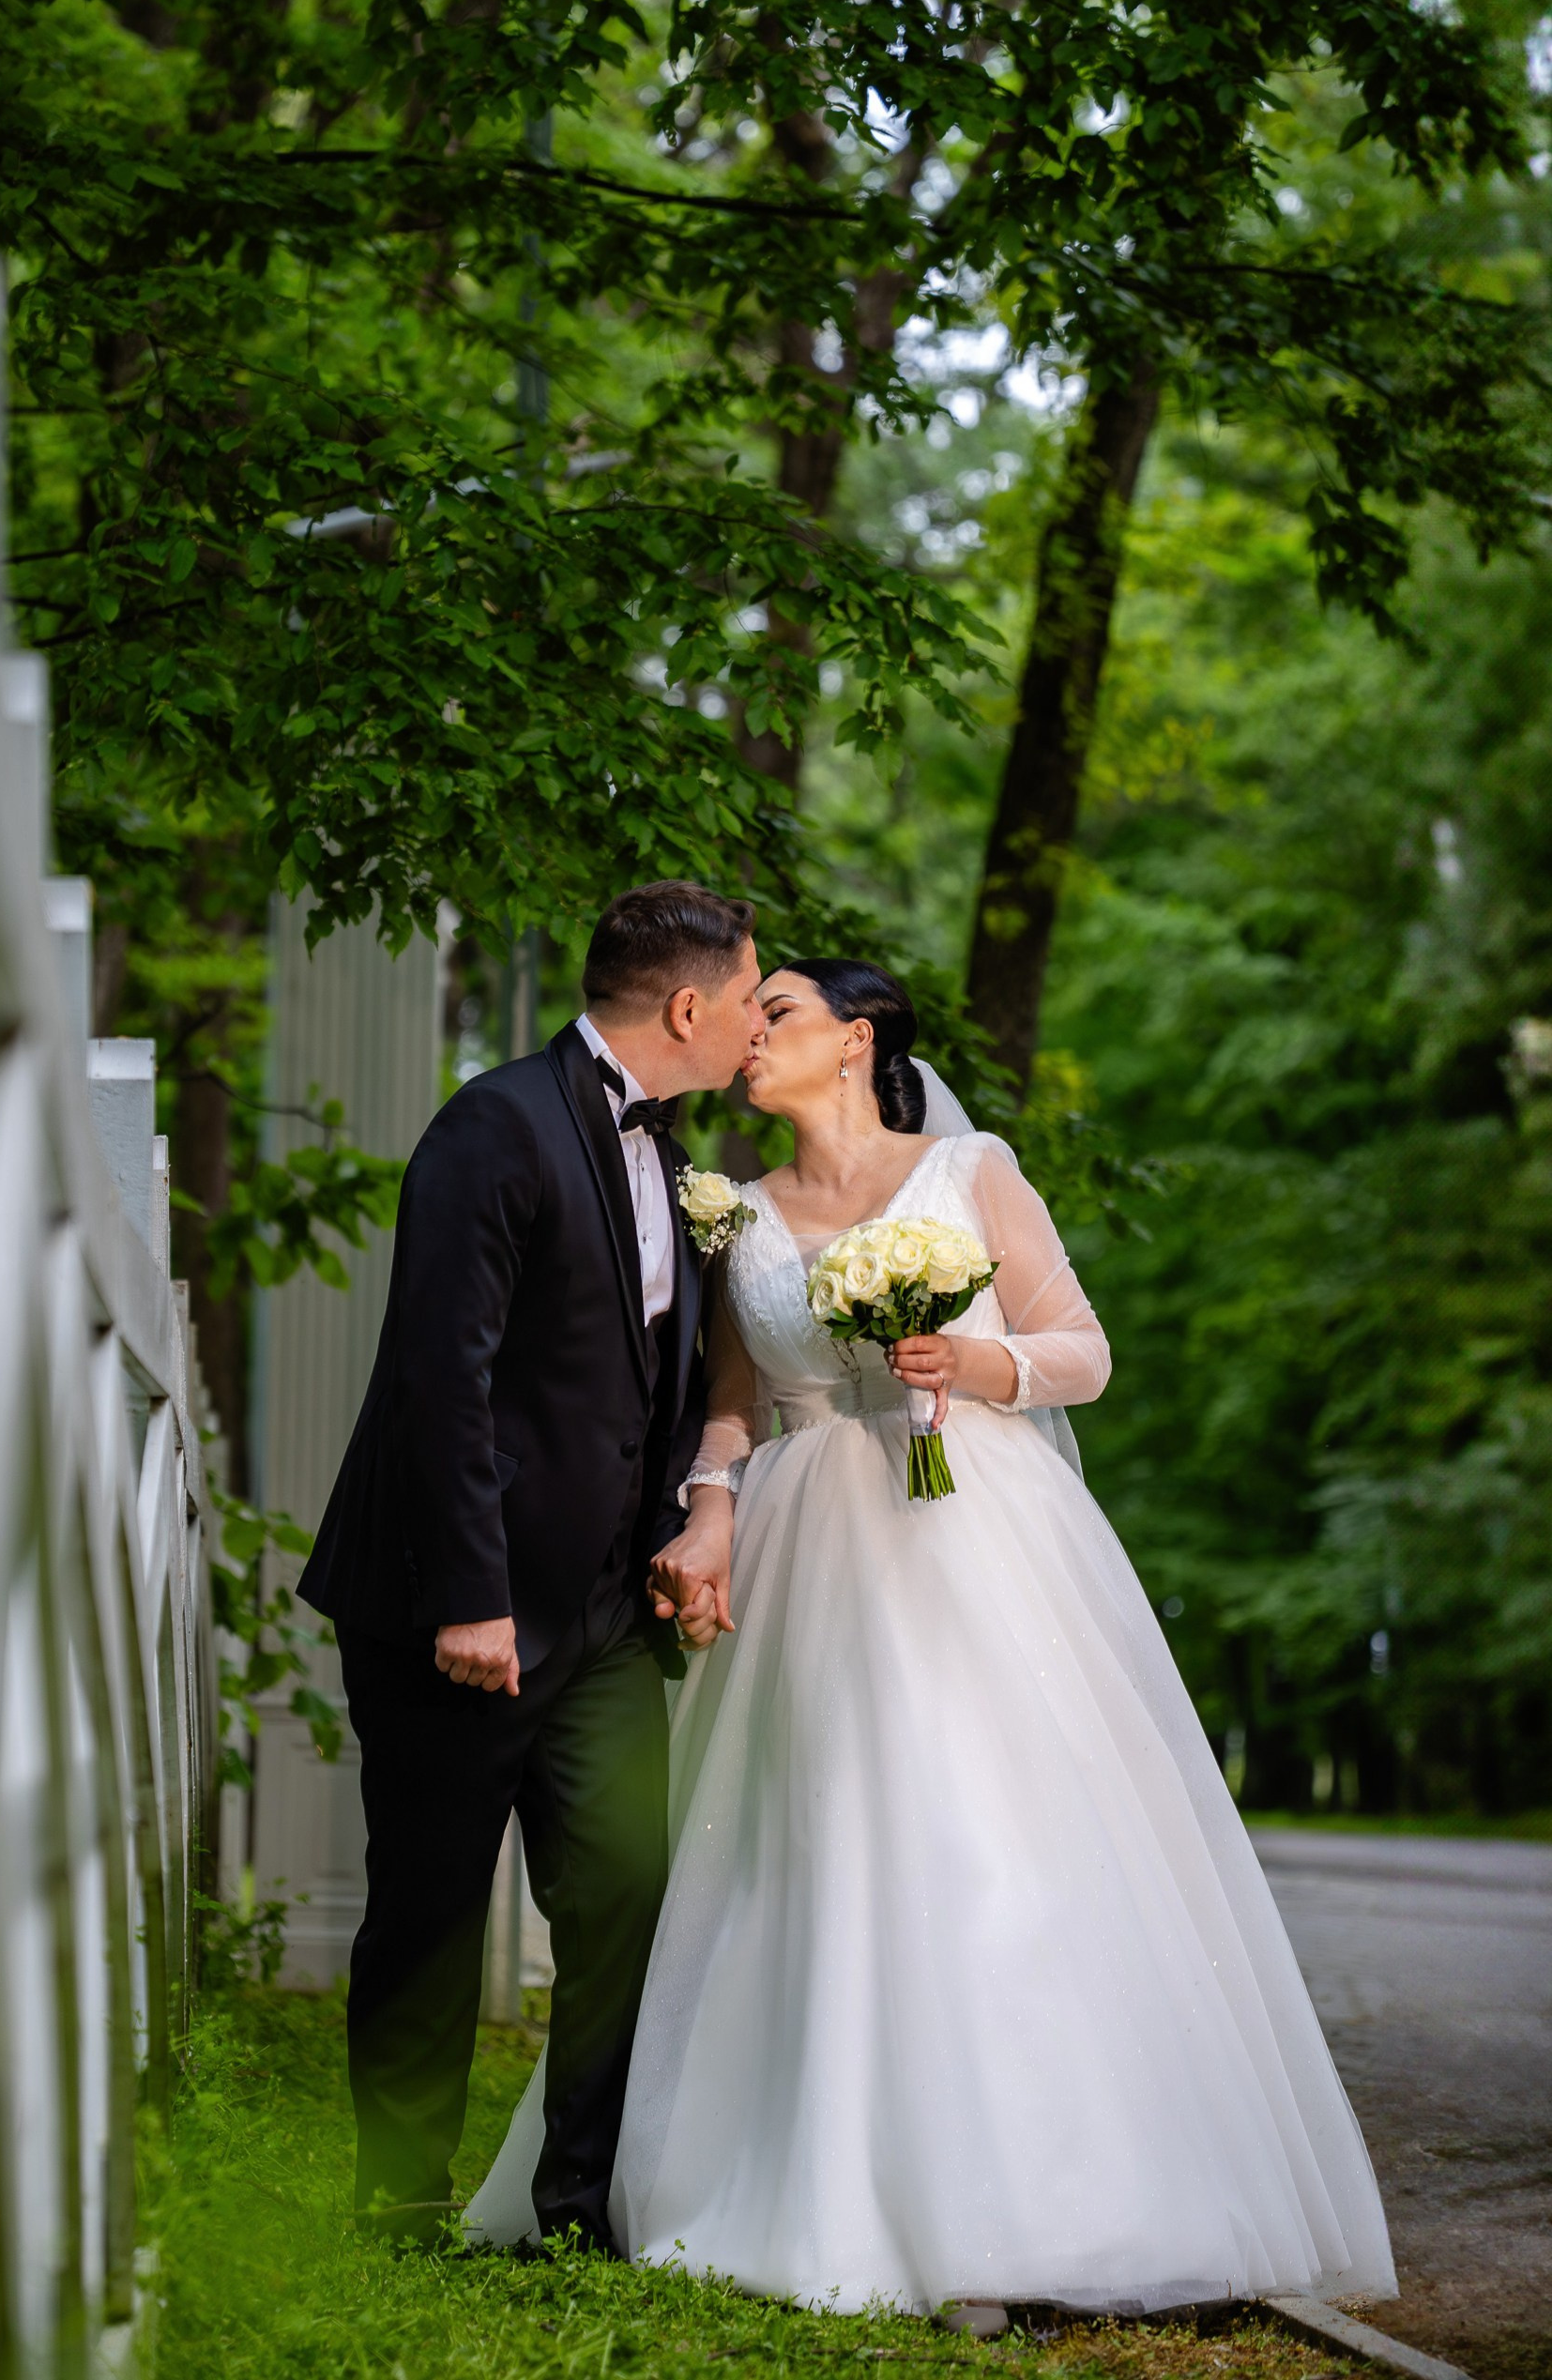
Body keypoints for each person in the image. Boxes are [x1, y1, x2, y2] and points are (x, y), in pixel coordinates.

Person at [470, 957, 1397, 2317]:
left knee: (983, 1837)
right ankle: (810, 2172)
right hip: (803, 1551)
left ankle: (1030, 2198)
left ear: (857, 1039)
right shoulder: (741, 1216)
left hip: (974, 1534)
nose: (749, 1035)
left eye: (776, 1012)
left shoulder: (969, 1172)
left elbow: (1084, 1346)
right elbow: (730, 1401)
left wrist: (979, 1364)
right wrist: (712, 1506)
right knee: (809, 1845)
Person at [299, 882, 764, 2249]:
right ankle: (400, 2203)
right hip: (461, 1608)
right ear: (688, 1005)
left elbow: (656, 1377)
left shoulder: (681, 1163)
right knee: (432, 1913)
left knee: (626, 1893)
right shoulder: (490, 1128)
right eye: (747, 999)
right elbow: (440, 1377)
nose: (752, 1025)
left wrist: (690, 1514)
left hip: (608, 1618)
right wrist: (471, 1595)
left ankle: (579, 2208)